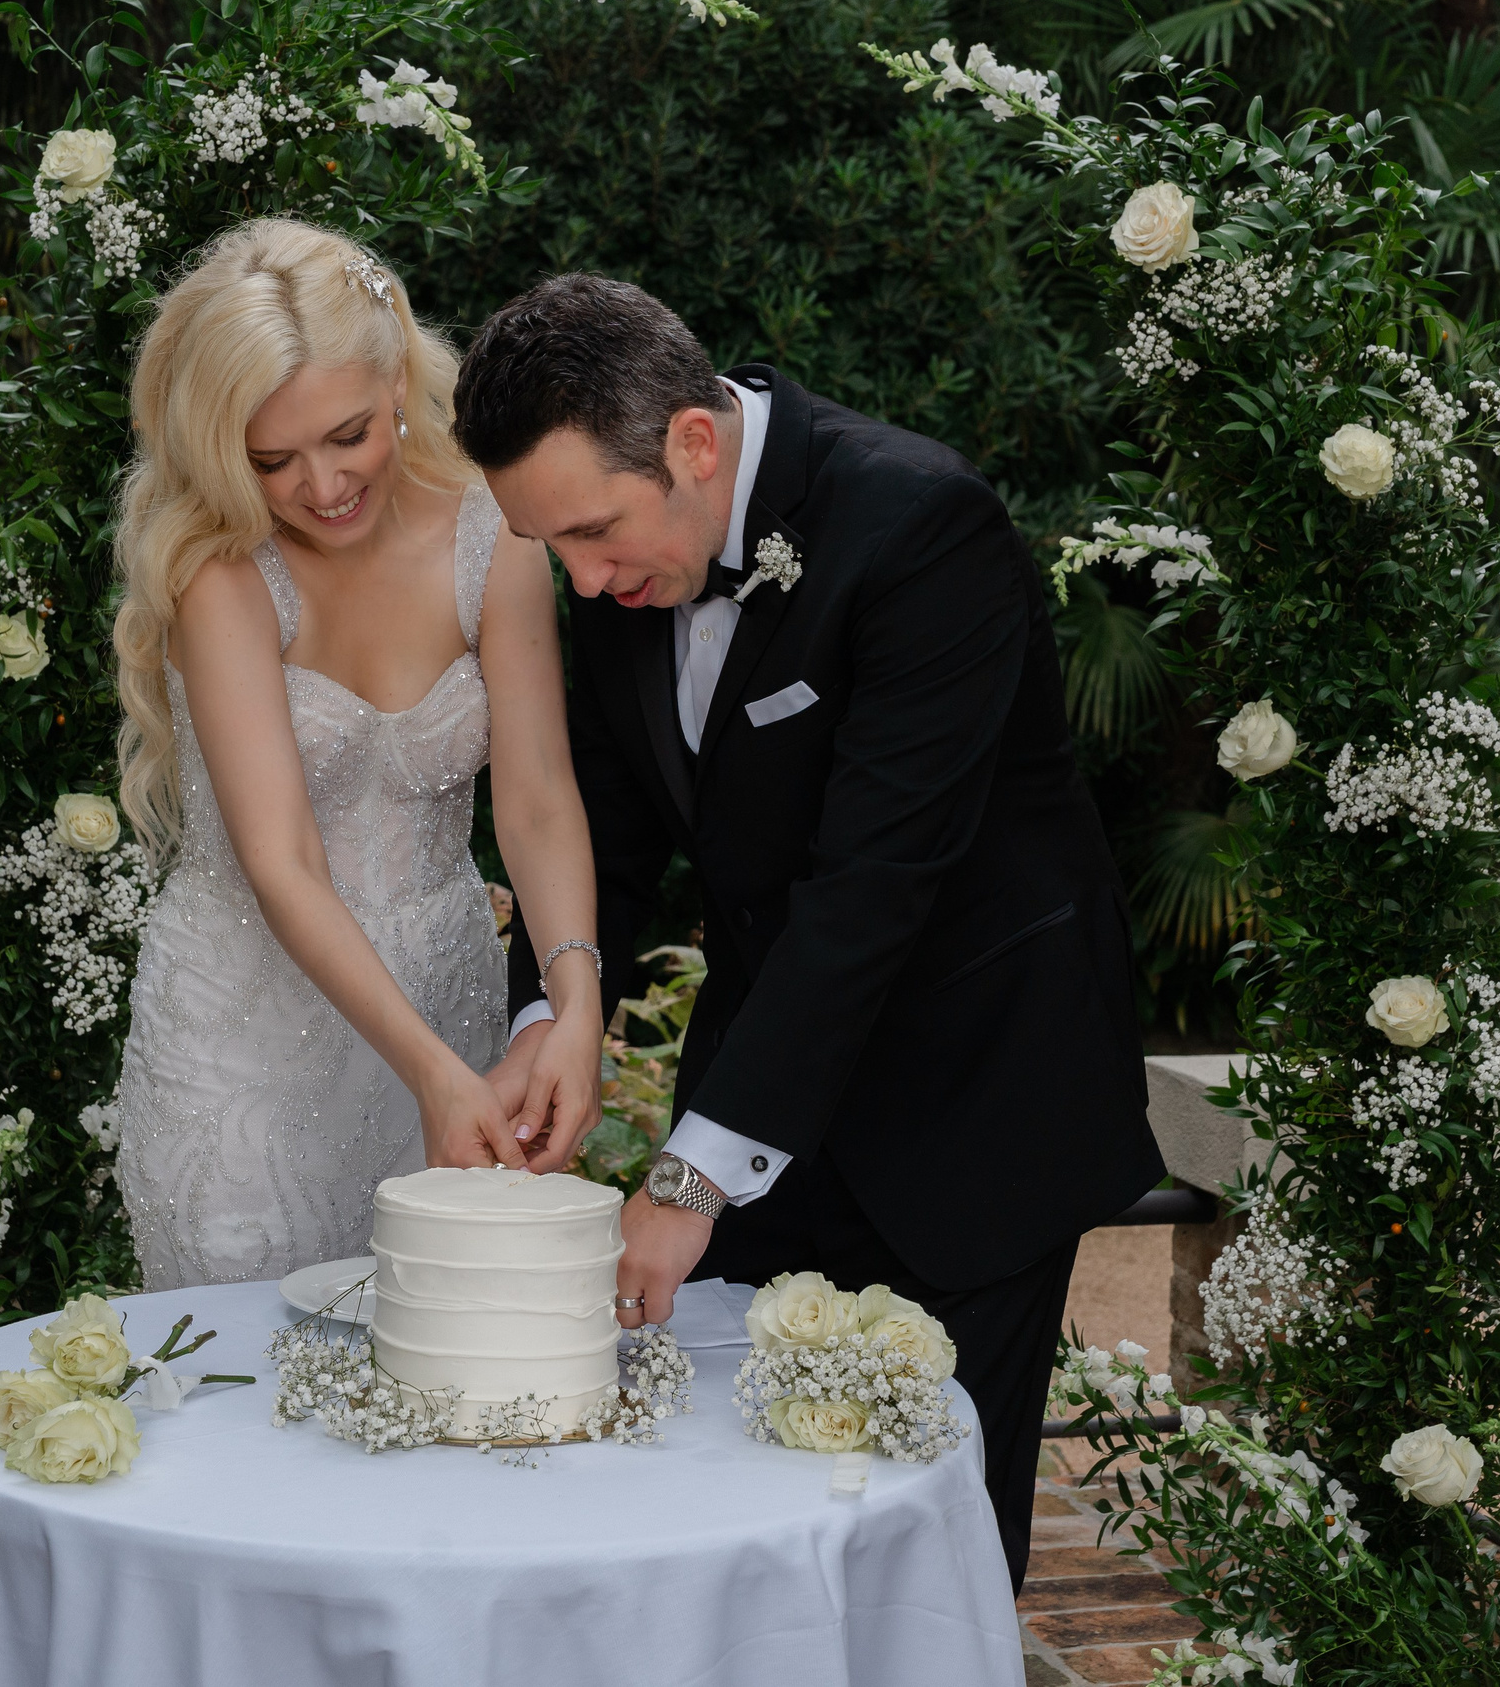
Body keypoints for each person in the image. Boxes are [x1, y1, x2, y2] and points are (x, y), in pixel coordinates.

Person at [456, 274, 1164, 1587]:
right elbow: (602, 836)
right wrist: (550, 1016)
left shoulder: (922, 527)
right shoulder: (617, 567)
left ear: (694, 443)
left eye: (600, 535)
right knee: (725, 1511)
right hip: (772, 1086)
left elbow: (873, 889)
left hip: (976, 1104)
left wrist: (684, 1175)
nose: (588, 579)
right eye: (553, 548)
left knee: (925, 1539)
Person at [100, 220, 604, 1289]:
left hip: (448, 998)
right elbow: (282, 861)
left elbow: (538, 803)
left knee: (449, 1353)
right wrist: (430, 1073)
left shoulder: (489, 531)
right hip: (246, 1046)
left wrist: (576, 1004)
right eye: (270, 458)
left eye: (346, 436)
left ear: (395, 382)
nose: (321, 485)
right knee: (245, 1377)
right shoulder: (219, 567)